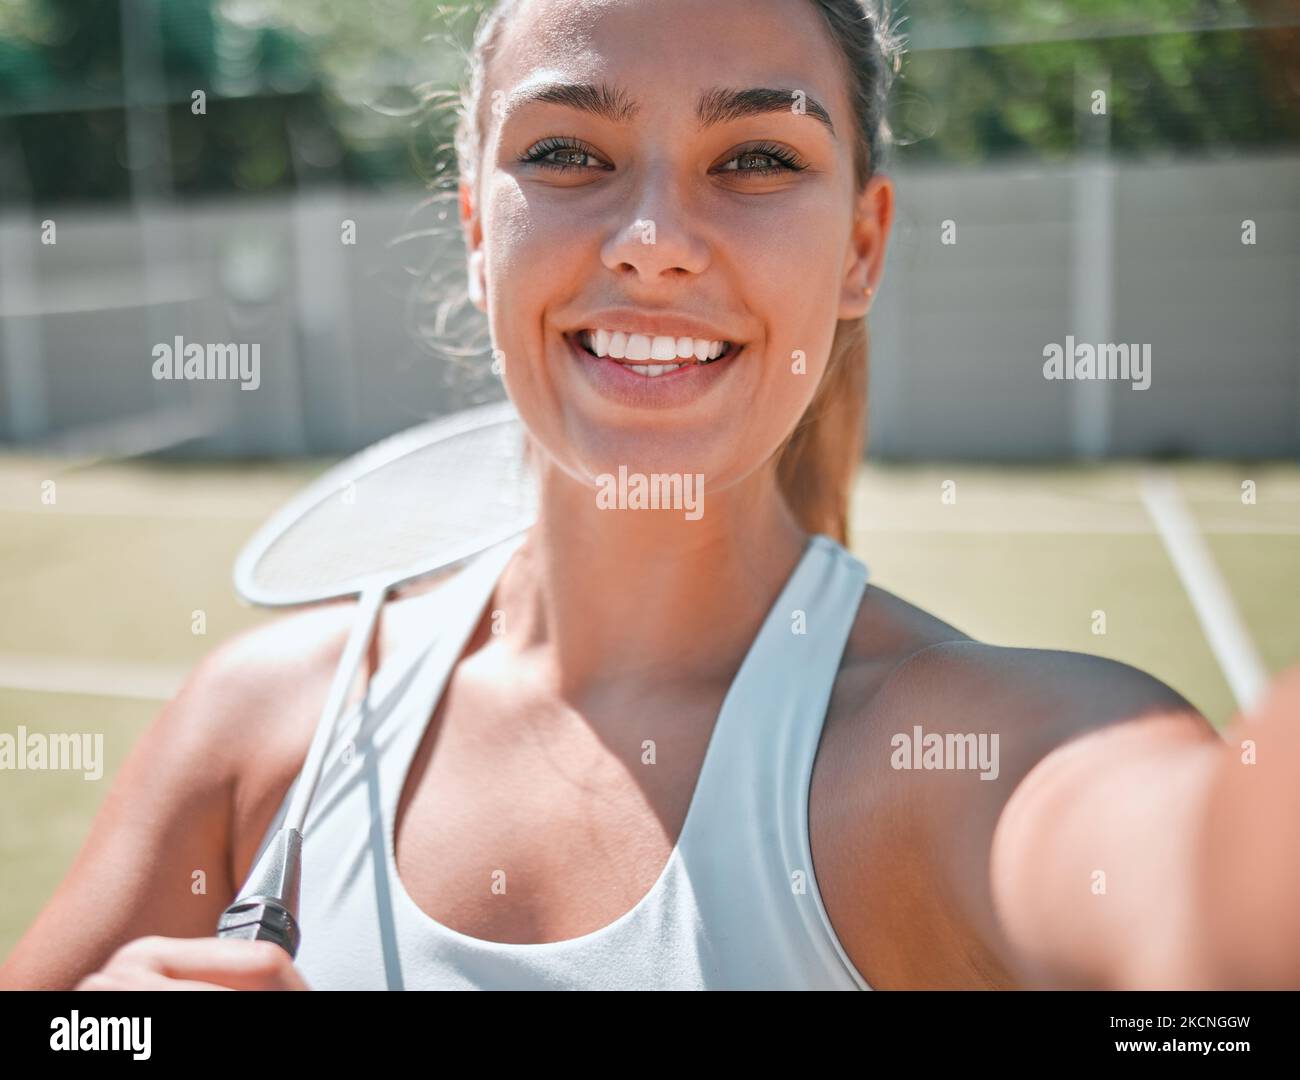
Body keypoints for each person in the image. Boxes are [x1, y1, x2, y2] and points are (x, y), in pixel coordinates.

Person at [3, 0, 1297, 991]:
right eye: (569, 149)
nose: (655, 239)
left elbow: (1205, 916)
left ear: (862, 245)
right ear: (472, 223)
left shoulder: (974, 757)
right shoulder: (259, 725)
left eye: (757, 158)